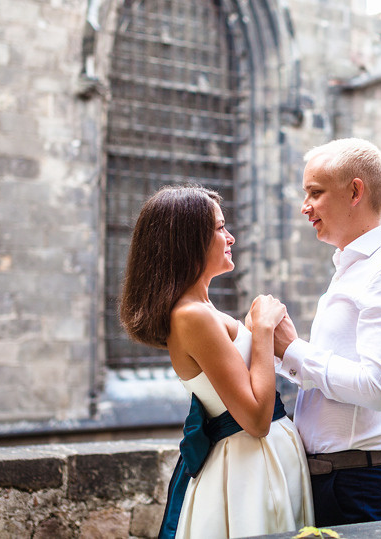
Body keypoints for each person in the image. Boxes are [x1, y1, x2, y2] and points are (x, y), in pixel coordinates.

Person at [118, 185, 313, 539]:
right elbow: (255, 419)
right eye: (220, 228)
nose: (231, 237)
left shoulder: (203, 311)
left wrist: (253, 329)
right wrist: (264, 331)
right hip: (248, 471)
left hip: (262, 463)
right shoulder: (192, 316)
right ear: (188, 240)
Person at [269, 138, 381, 526]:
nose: (304, 206)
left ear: (355, 191)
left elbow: (376, 387)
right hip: (332, 479)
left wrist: (293, 350)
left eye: (315, 193)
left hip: (358, 483)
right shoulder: (352, 268)